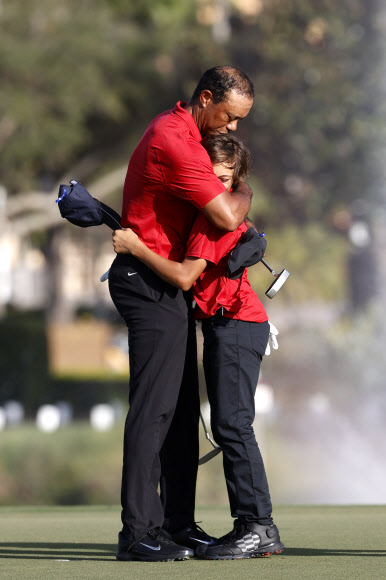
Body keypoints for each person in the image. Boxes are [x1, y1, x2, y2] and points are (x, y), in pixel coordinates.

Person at [113, 133, 285, 560]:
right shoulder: (208, 210)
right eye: (210, 175)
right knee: (230, 424)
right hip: (229, 326)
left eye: (226, 178)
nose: (216, 184)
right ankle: (252, 525)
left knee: (232, 426)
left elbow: (186, 278)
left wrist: (136, 247)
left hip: (237, 327)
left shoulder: (212, 219)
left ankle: (257, 527)